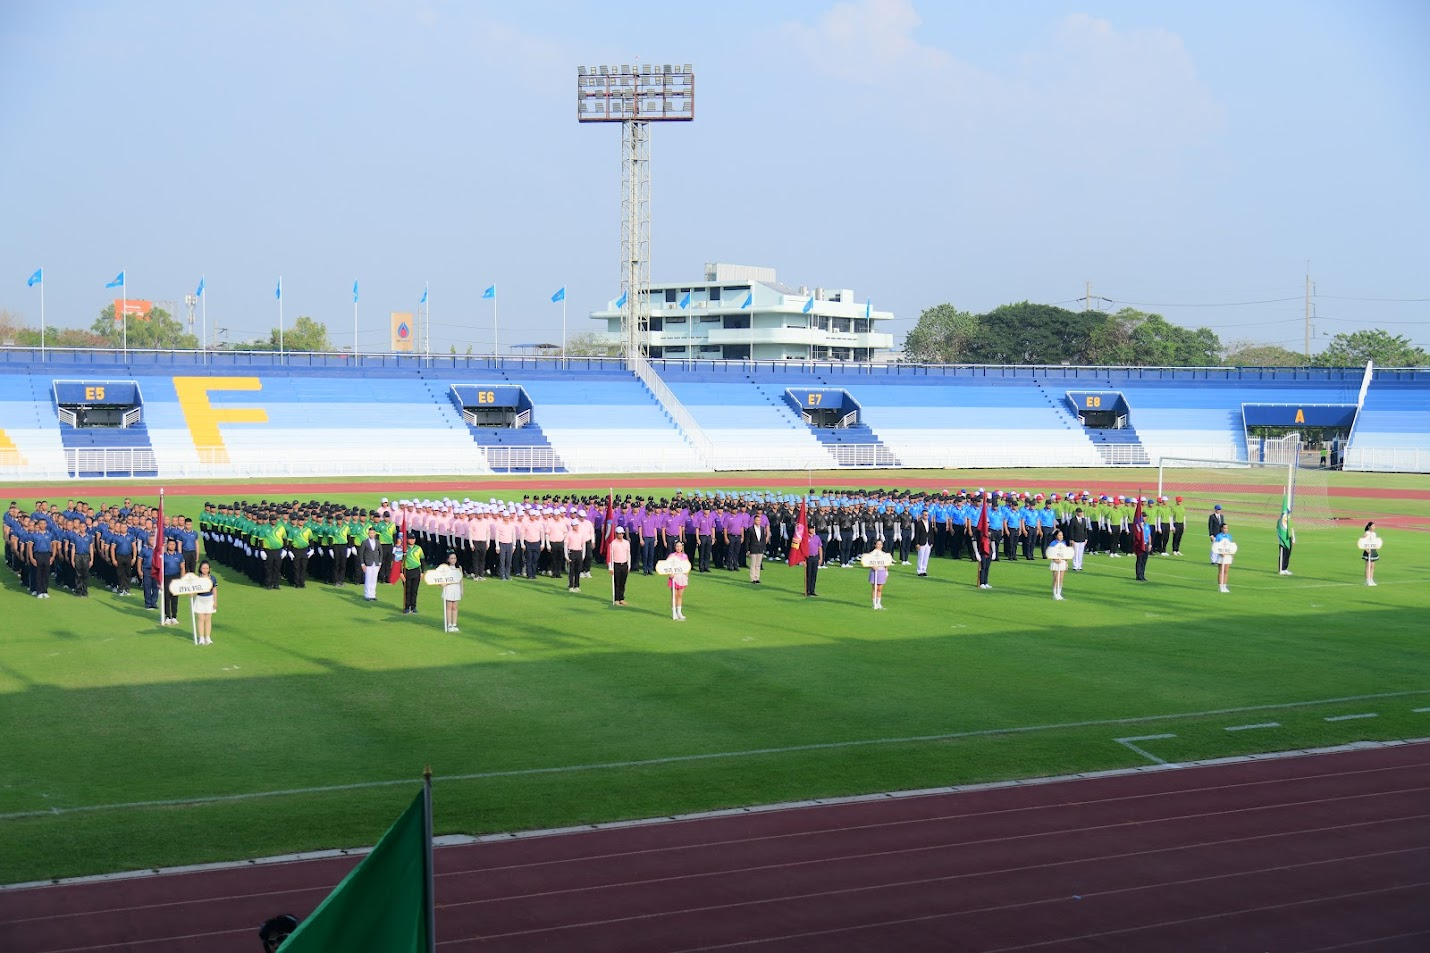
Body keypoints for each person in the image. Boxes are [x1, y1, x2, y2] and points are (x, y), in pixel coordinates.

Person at [192, 559, 218, 645]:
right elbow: (193, 589)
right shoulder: (197, 578)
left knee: (208, 619)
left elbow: (214, 590)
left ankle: (208, 637)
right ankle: (201, 638)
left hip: (209, 599)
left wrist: (215, 601)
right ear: (200, 569)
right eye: (203, 568)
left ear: (209, 569)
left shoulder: (213, 578)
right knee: (201, 619)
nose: (205, 570)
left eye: (207, 568)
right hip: (200, 599)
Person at [667, 539, 691, 620]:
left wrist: (686, 576)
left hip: (682, 577)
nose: (679, 548)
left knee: (680, 595)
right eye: (677, 546)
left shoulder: (685, 556)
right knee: (674, 595)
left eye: (680, 546)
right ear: (675, 547)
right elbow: (667, 566)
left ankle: (679, 612)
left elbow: (687, 566)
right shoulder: (672, 556)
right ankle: (674, 612)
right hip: (674, 578)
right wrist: (670, 574)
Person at [161, 538, 184, 624]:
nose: (172, 546)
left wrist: (182, 580)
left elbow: (182, 568)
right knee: (167, 597)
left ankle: (174, 616)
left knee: (175, 598)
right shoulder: (163, 556)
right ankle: (167, 616)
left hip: (176, 577)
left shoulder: (179, 555)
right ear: (167, 545)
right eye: (170, 544)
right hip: (167, 577)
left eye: (173, 545)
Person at [607, 525, 631, 605]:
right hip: (616, 564)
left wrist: (629, 565)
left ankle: (621, 598)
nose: (621, 535)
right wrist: (610, 567)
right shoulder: (613, 543)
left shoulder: (626, 543)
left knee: (623, 583)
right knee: (617, 582)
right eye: (619, 534)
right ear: (616, 534)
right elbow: (609, 556)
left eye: (622, 534)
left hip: (624, 564)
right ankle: (616, 599)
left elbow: (628, 554)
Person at [401, 537, 425, 614]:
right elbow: (399, 561)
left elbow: (422, 560)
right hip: (407, 571)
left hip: (416, 570)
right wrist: (400, 573)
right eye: (410, 539)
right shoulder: (404, 548)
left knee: (414, 590)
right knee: (407, 590)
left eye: (413, 539)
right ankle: (407, 607)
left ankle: (413, 607)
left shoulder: (418, 548)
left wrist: (422, 572)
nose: (412, 540)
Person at [442, 552, 464, 632]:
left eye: (454, 558)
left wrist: (461, 590)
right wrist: (444, 584)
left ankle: (454, 624)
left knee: (455, 607)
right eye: (451, 558)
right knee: (449, 607)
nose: (453, 560)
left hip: (456, 588)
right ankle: (449, 624)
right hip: (449, 588)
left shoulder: (459, 568)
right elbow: (441, 580)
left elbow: (461, 580)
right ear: (448, 559)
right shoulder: (445, 568)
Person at [360, 525, 381, 600]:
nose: (372, 534)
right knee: (368, 579)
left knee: (374, 579)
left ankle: (373, 594)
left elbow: (381, 552)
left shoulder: (377, 542)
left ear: (375, 534)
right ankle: (367, 594)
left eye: (373, 533)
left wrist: (380, 563)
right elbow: (361, 553)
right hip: (368, 562)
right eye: (370, 533)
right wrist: (362, 564)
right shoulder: (365, 542)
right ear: (368, 534)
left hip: (376, 562)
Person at [867, 538, 889, 609]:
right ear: (875, 545)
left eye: (881, 544)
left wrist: (886, 572)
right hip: (874, 571)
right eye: (878, 544)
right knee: (875, 588)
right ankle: (874, 604)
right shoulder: (872, 554)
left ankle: (879, 603)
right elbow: (868, 561)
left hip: (882, 571)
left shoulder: (884, 554)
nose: (879, 545)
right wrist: (873, 566)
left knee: (880, 589)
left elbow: (886, 564)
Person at [803, 524, 824, 596]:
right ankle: (807, 590)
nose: (812, 530)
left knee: (814, 574)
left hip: (815, 557)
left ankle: (812, 590)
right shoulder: (805, 538)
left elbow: (820, 548)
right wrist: (803, 560)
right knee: (808, 574)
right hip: (808, 558)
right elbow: (803, 549)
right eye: (811, 528)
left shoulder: (817, 537)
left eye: (813, 528)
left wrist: (821, 558)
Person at [1048, 529, 1068, 600]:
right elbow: (1050, 552)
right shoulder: (1053, 543)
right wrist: (1055, 559)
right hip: (1056, 562)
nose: (1061, 536)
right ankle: (1055, 593)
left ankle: (1059, 593)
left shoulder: (1064, 543)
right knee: (1056, 578)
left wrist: (1066, 562)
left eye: (1062, 535)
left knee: (1061, 578)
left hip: (1062, 561)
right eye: (1059, 535)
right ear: (1056, 536)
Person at [1213, 524, 1234, 593]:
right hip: (1221, 555)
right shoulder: (1219, 536)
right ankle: (1220, 586)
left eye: (1227, 528)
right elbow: (1216, 546)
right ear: (1221, 528)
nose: (1226, 529)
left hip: (1227, 555)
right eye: (1224, 528)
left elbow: (1231, 546)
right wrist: (1220, 553)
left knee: (1226, 571)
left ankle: (1224, 586)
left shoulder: (1229, 536)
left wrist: (1231, 555)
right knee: (1221, 571)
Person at [1360, 521, 1380, 586]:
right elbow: (1362, 542)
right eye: (1373, 526)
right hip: (1368, 550)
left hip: (1373, 550)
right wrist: (1366, 549)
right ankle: (1367, 580)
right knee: (1368, 566)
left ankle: (1371, 579)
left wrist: (1376, 547)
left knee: (1372, 566)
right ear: (1369, 527)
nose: (1374, 527)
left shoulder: (1374, 534)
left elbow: (1375, 541)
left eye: (1374, 526)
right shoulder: (1367, 533)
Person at [1277, 507, 1295, 575]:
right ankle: (1280, 569)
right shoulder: (1280, 521)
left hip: (1288, 538)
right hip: (1282, 539)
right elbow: (1278, 530)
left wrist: (1293, 538)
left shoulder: (1289, 520)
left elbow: (1292, 529)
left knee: (1288, 554)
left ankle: (1285, 568)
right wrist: (1279, 539)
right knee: (1282, 554)